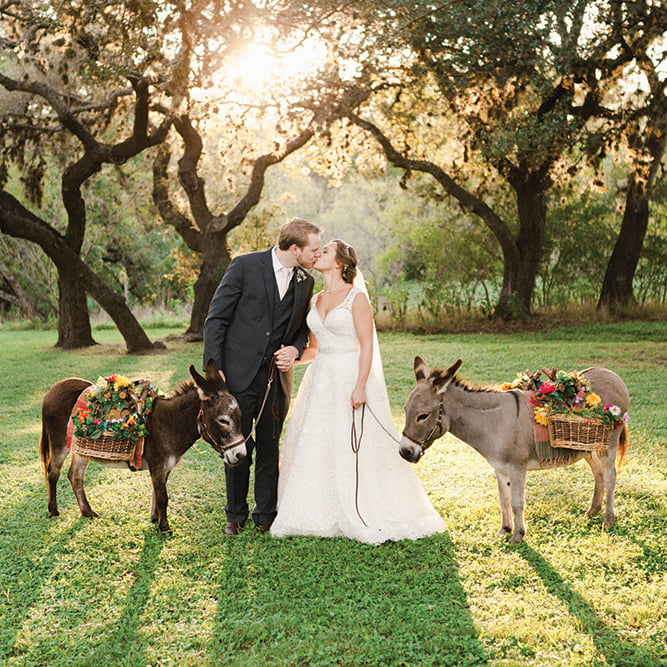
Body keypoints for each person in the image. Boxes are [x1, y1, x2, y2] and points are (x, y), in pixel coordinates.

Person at [271, 240, 445, 544]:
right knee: (318, 440)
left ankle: (365, 506)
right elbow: (315, 348)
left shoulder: (357, 298)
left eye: (325, 251)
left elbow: (367, 346)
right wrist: (293, 357)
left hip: (351, 376)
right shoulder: (315, 300)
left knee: (353, 442)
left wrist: (361, 385)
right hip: (321, 379)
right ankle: (316, 508)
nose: (319, 253)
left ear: (339, 262)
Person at [203, 217, 321, 536]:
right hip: (237, 375)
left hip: (276, 380)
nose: (317, 254)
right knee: (238, 445)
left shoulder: (305, 282)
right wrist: (214, 371)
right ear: (294, 248)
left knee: (270, 444)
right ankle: (235, 513)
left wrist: (295, 351)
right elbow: (216, 319)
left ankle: (265, 513)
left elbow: (300, 331)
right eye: (313, 248)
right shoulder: (244, 266)